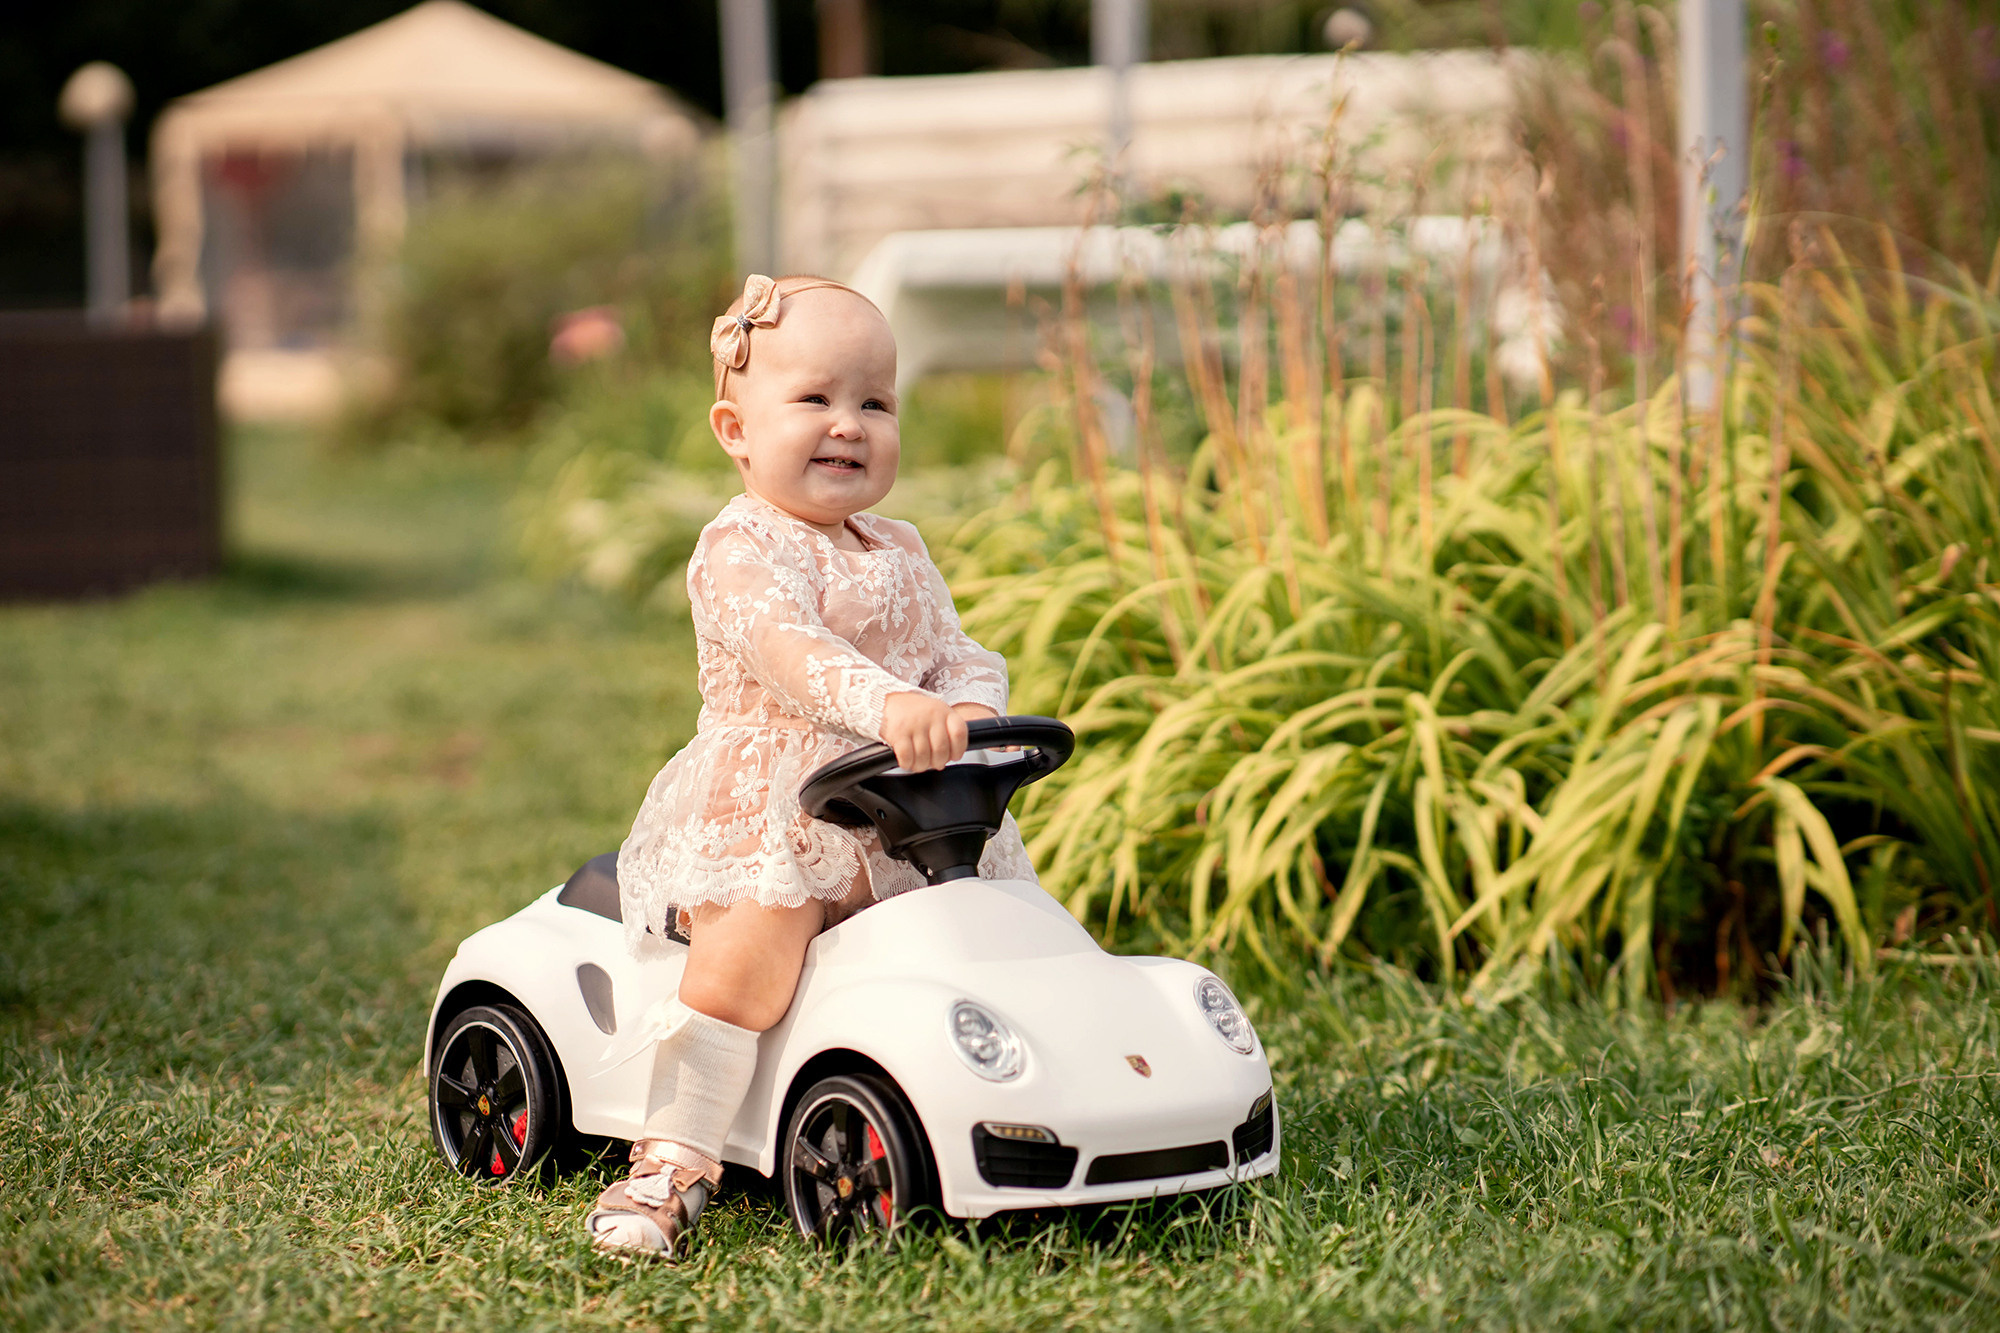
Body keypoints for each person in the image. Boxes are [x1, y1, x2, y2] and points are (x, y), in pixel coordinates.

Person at [585, 274, 1035, 1255]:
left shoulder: (901, 547)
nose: (848, 424)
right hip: (777, 813)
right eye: (816, 398)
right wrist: (890, 705)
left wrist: (969, 704)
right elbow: (792, 651)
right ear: (735, 430)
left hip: (898, 807)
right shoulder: (737, 548)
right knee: (752, 954)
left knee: (992, 928)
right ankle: (674, 1155)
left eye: (875, 402)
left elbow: (954, 648)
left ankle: (1018, 1087)